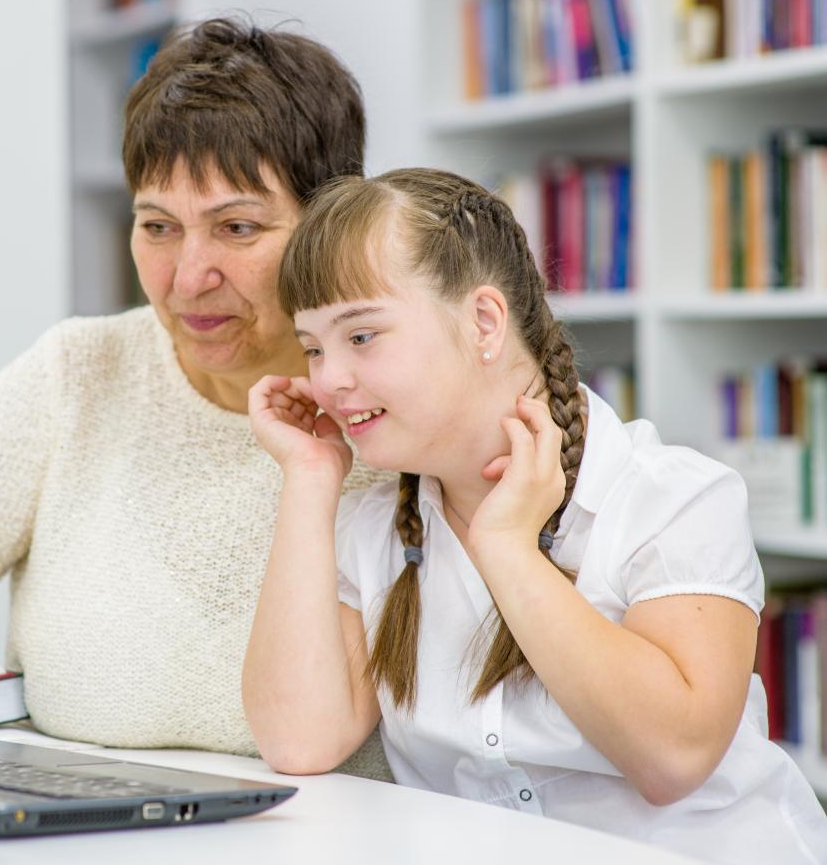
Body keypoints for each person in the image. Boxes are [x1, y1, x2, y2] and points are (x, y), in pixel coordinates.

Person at [243, 167, 827, 863]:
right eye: (313, 348)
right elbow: (299, 740)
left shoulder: (673, 498)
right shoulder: (373, 525)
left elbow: (674, 758)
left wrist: (508, 549)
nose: (328, 380)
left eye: (361, 336)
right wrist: (309, 477)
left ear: (484, 322)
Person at [0, 17, 391, 777]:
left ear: (329, 229)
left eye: (236, 227)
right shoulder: (78, 372)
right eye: (157, 226)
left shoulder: (394, 415)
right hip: (71, 818)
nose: (187, 277)